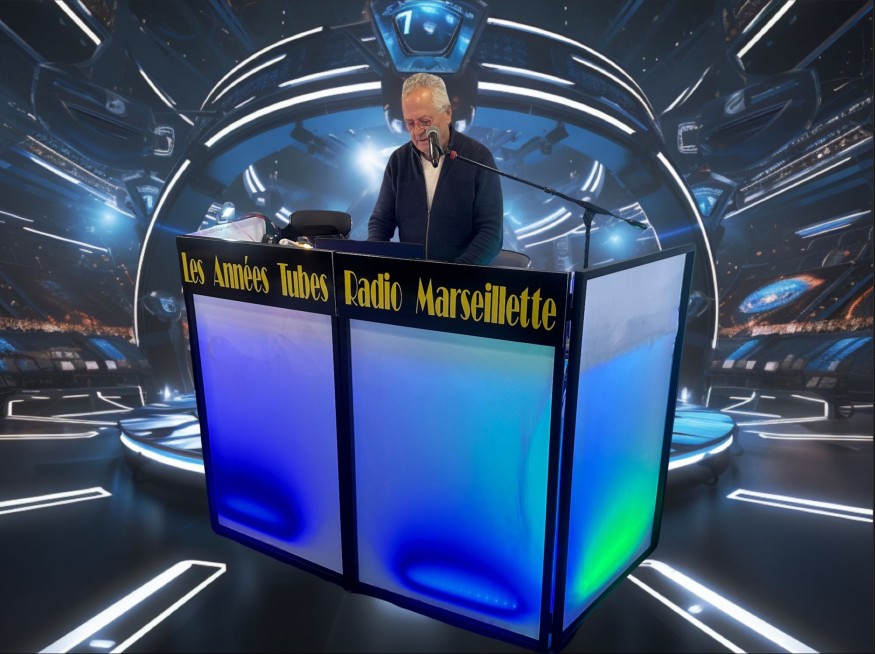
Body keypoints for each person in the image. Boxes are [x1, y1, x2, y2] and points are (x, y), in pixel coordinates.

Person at [367, 73, 503, 265]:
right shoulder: (398, 161)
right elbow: (380, 223)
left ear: (447, 113)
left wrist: (458, 273)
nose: (417, 131)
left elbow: (491, 232)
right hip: (410, 277)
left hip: (462, 279)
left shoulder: (479, 157)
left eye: (425, 121)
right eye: (410, 123)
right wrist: (373, 261)